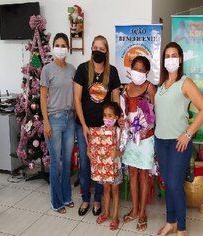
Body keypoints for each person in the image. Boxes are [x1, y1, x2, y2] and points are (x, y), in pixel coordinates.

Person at [154, 42, 203, 236]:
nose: (170, 59)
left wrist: (188, 133)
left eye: (173, 55)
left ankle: (182, 228)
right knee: (168, 184)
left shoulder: (185, 82)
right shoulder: (161, 85)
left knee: (175, 185)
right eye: (167, 56)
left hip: (178, 143)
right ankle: (171, 222)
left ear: (180, 59)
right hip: (160, 142)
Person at [74, 35, 121, 217]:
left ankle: (98, 199)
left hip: (105, 129)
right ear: (91, 49)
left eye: (102, 49)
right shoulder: (82, 69)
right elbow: (77, 99)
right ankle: (86, 198)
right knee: (86, 163)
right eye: (95, 47)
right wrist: (84, 126)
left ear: (106, 52)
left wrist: (114, 126)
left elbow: (115, 99)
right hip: (85, 126)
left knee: (103, 164)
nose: (98, 51)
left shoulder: (113, 72)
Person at [40, 33, 76, 214]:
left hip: (70, 120)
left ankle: (67, 196)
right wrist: (46, 121)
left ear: (68, 49)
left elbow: (76, 96)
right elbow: (43, 97)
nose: (61, 48)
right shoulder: (47, 70)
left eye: (64, 45)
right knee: (56, 163)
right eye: (58, 45)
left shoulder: (72, 70)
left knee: (67, 161)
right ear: (54, 47)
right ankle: (56, 202)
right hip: (54, 120)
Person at [121, 56, 156, 232]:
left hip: (146, 138)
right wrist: (123, 122)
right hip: (130, 139)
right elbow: (123, 111)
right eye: (136, 69)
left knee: (144, 175)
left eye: (143, 70)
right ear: (131, 69)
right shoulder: (126, 88)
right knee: (132, 173)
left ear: (147, 72)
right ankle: (134, 209)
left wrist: (145, 128)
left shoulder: (150, 88)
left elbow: (156, 112)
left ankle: (142, 213)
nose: (139, 72)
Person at [88, 102, 124, 230]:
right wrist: (89, 152)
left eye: (110, 115)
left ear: (116, 117)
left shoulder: (119, 131)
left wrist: (117, 152)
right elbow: (92, 144)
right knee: (106, 189)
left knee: (114, 190)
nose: (107, 118)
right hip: (104, 167)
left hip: (116, 167)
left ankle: (115, 216)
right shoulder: (100, 130)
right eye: (105, 115)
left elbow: (124, 150)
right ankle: (107, 212)